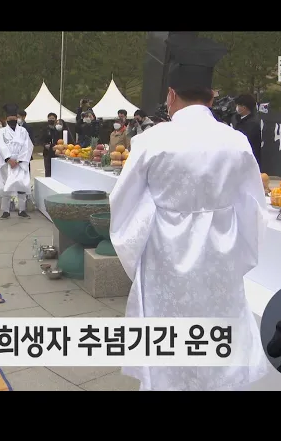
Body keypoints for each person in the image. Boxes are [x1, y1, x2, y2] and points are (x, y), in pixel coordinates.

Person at [109, 34, 268, 391]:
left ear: (171, 95)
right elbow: (253, 208)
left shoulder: (151, 141)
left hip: (165, 254)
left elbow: (124, 204)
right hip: (220, 255)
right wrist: (237, 252)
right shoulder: (235, 142)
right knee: (219, 323)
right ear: (212, 97)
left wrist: (141, 247)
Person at [0, 104, 33, 219]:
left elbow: (27, 146)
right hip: (7, 163)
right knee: (6, 186)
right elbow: (0, 146)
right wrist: (8, 159)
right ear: (6, 119)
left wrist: (20, 160)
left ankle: (22, 210)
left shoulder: (23, 131)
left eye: (14, 118)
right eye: (10, 118)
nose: (12, 120)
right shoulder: (2, 132)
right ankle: (5, 211)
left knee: (22, 186)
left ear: (17, 118)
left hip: (20, 162)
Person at [232, 94, 262, 169]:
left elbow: (243, 139)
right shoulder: (238, 119)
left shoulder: (252, 123)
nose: (237, 107)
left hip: (248, 161)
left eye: (238, 105)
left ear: (244, 107)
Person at [42, 112, 59, 177]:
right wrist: (45, 145)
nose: (51, 120)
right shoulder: (45, 129)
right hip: (47, 152)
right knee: (48, 169)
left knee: (55, 169)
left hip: (56, 152)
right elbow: (40, 140)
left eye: (53, 118)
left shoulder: (57, 130)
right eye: (50, 118)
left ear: (55, 120)